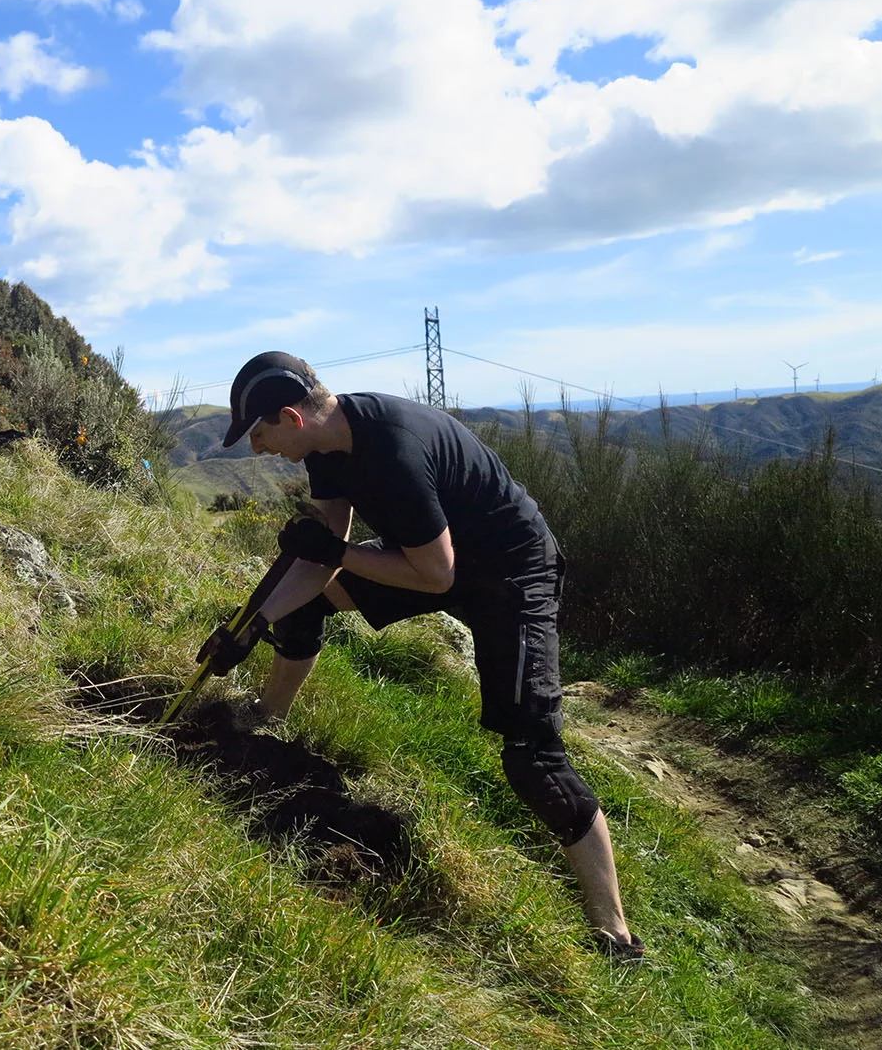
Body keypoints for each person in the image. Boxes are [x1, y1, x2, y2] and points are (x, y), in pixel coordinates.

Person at [201, 350, 643, 961]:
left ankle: (614, 929)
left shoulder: (393, 453)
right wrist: (250, 625)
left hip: (510, 575)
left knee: (531, 756)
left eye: (259, 433)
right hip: (439, 556)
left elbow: (432, 575)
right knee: (305, 604)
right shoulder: (327, 449)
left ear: (291, 417)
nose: (256, 449)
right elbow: (323, 556)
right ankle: (266, 717)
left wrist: (333, 551)